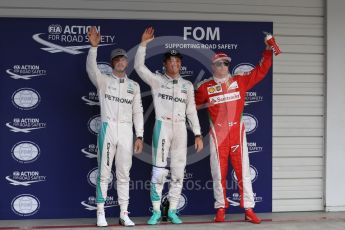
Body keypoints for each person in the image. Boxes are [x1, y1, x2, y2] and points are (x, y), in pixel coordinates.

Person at [195, 36, 273, 224]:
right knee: (218, 172)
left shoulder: (240, 81)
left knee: (243, 171)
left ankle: (248, 208)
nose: (222, 67)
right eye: (218, 64)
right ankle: (221, 207)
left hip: (237, 132)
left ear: (228, 66)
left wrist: (268, 51)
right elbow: (191, 107)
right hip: (218, 135)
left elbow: (261, 71)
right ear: (212, 67)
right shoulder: (205, 87)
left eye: (225, 64)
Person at [134, 27, 203, 225]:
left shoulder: (187, 86)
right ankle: (156, 211)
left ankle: (172, 210)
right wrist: (143, 45)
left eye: (177, 61)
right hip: (162, 126)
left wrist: (198, 134)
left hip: (181, 128)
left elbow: (191, 111)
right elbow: (139, 68)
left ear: (180, 64)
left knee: (178, 172)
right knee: (159, 172)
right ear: (164, 64)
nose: (174, 64)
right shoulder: (157, 80)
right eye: (171, 61)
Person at [86, 26, 144, 227]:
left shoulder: (134, 86)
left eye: (123, 59)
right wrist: (94, 48)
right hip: (108, 128)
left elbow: (138, 111)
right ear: (112, 63)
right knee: (103, 172)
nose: (120, 62)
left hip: (127, 131)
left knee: (124, 174)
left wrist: (140, 136)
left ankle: (124, 213)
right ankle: (100, 213)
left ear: (127, 63)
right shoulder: (103, 81)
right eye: (117, 59)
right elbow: (91, 69)